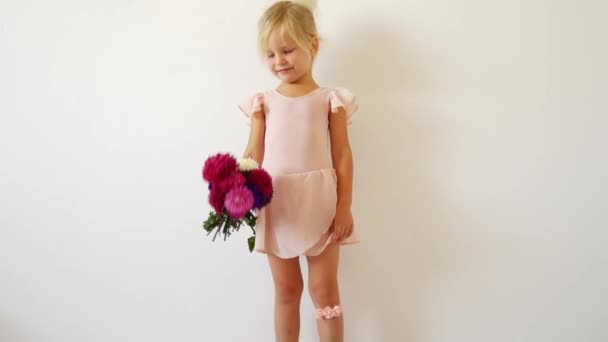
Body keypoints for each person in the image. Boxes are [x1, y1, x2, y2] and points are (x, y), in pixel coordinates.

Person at [239, 1, 359, 341]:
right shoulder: (263, 102)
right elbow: (252, 153)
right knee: (286, 289)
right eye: (271, 54)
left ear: (313, 45)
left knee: (324, 291)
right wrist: (235, 188)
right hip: (277, 205)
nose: (279, 62)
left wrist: (344, 205)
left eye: (287, 50)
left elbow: (342, 154)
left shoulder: (329, 99)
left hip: (320, 204)